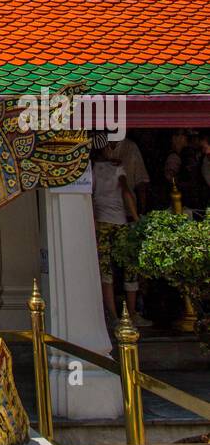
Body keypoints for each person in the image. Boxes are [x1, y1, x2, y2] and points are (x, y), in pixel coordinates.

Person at [91, 141, 139, 330]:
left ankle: (115, 315)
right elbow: (126, 192)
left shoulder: (95, 168)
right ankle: (130, 314)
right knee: (128, 265)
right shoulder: (115, 167)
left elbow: (90, 195)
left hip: (103, 221)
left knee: (106, 268)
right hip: (118, 220)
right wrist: (135, 218)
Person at [116, 135, 150, 214]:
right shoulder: (101, 146)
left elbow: (141, 181)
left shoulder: (131, 147)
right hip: (107, 213)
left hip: (128, 211)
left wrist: (141, 212)